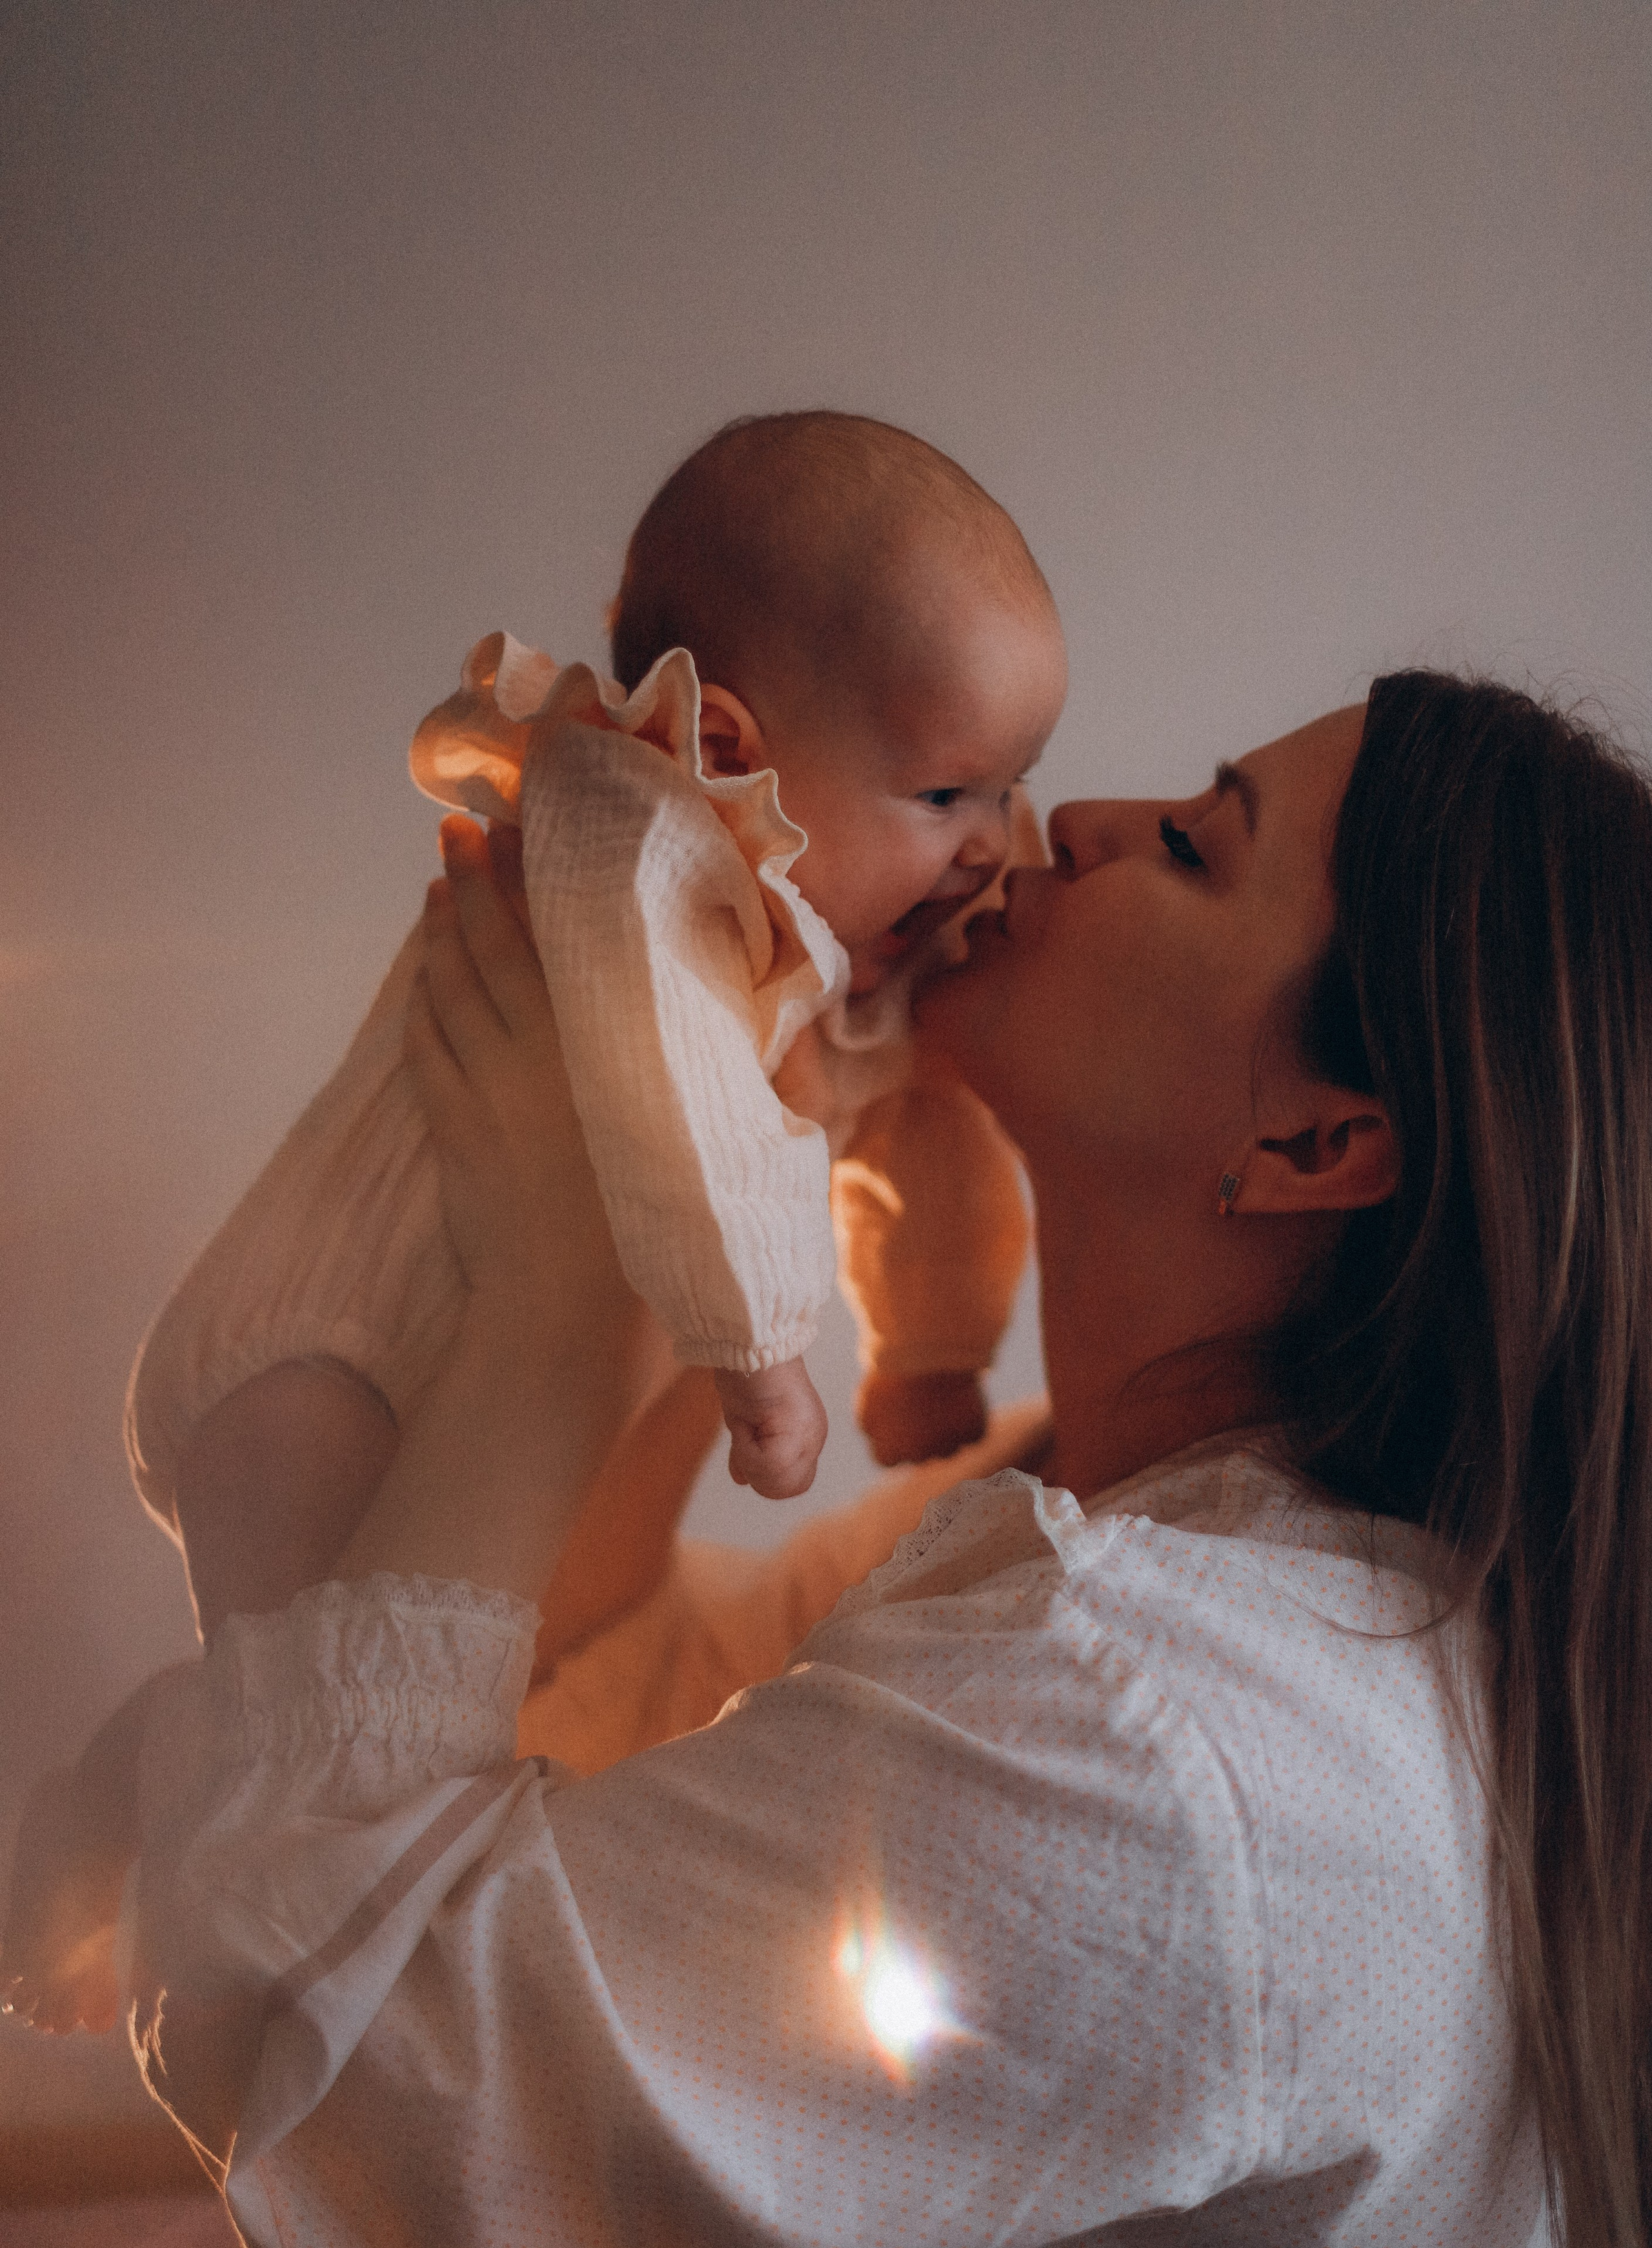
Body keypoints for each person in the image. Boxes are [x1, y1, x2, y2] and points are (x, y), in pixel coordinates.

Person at [10, 668, 1651, 2248]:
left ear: (1318, 1136)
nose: (1075, 821)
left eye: (1188, 846)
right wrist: (697, 1136)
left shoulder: (1166, 1722)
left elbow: (364, 2128)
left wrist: (554, 1308)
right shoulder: (1089, 1553)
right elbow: (582, 1679)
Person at [123, 411, 1067, 1640]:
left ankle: (129, 1772)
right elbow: (683, 1103)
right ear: (731, 751)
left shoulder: (883, 931)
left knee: (310, 1696)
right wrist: (761, 1346)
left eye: (1011, 783)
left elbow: (930, 1120)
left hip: (498, 1462)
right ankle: (140, 1784)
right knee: (293, 1695)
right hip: (329, 1351)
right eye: (946, 793)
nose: (991, 840)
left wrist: (930, 1344)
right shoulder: (640, 845)